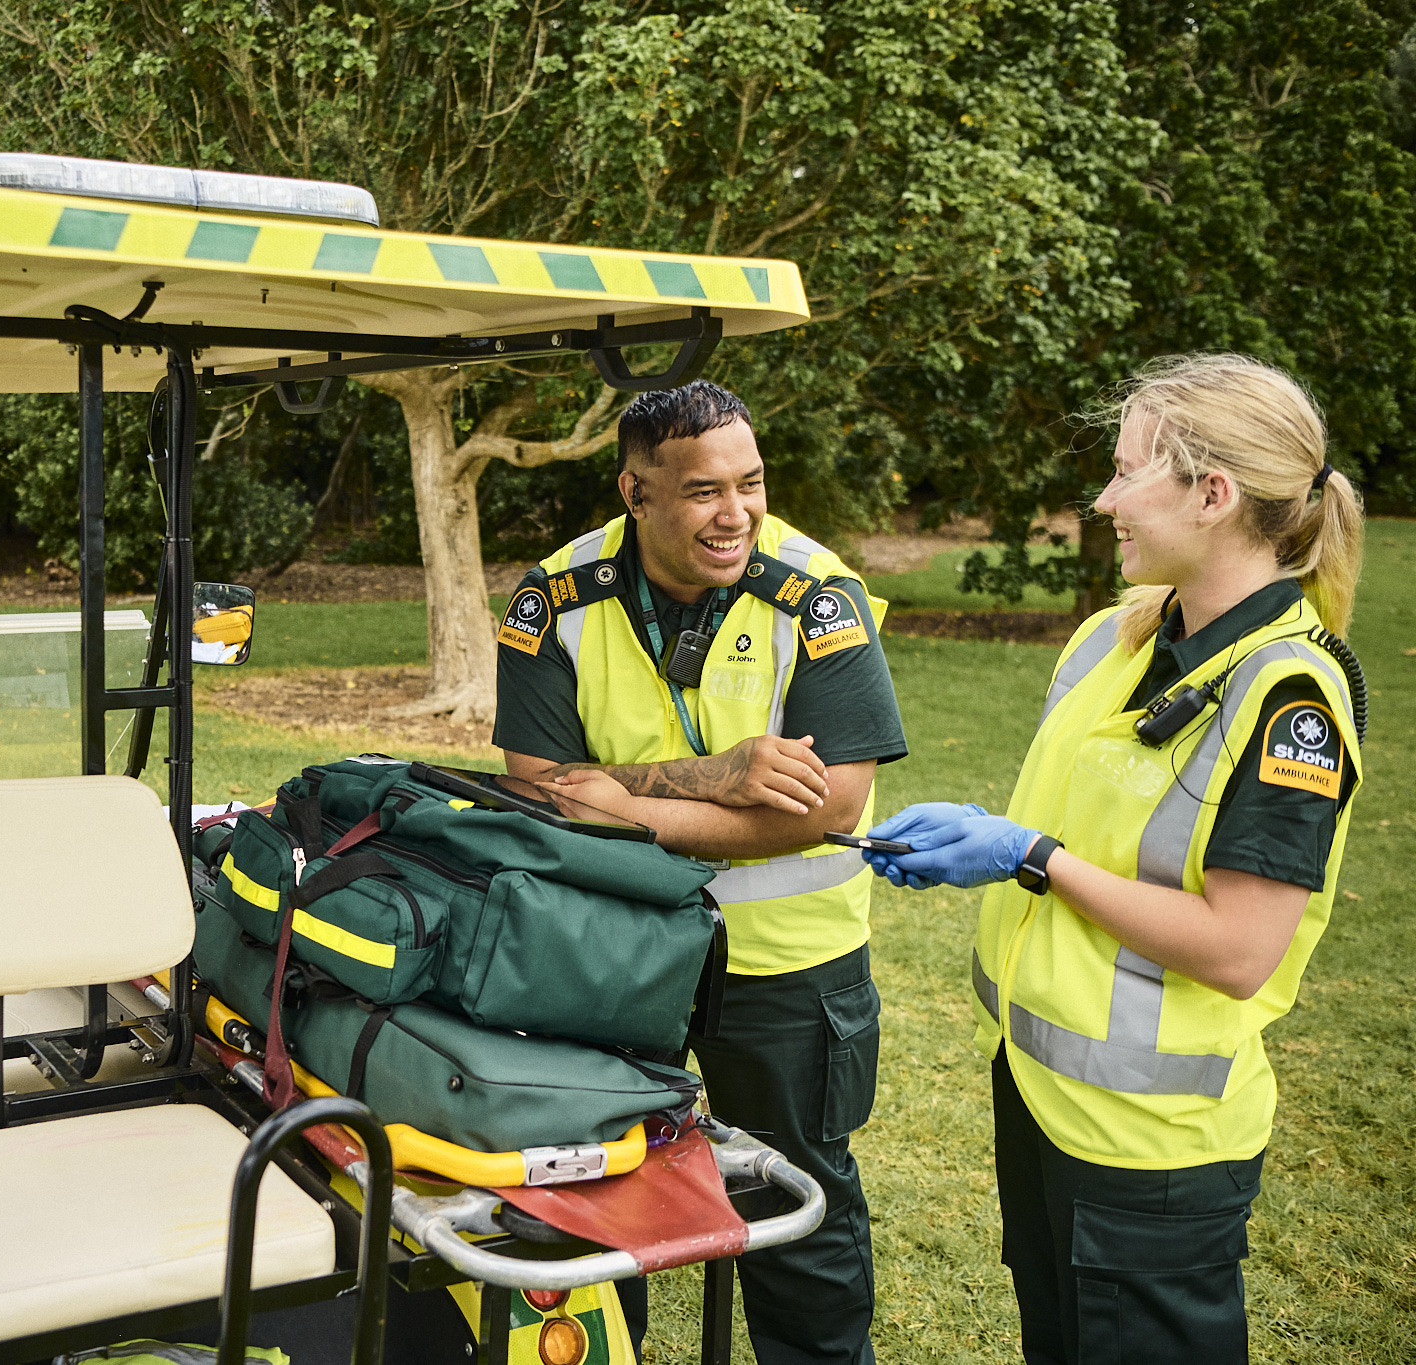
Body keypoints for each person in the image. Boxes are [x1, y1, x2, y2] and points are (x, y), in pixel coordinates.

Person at [860, 355, 1365, 1365]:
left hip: (1150, 1148)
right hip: (1043, 1105)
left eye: (1129, 471)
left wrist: (1028, 856)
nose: (1101, 500)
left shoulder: (1285, 703)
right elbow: (1082, 831)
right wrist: (986, 851)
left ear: (1212, 495)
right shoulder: (1113, 638)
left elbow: (1235, 951)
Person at [492, 380, 909, 1365]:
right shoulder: (550, 598)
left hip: (787, 965)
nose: (736, 515)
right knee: (587, 1190)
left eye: (750, 485)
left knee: (794, 1199)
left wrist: (624, 805)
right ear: (634, 494)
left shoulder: (818, 595)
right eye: (702, 492)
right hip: (608, 959)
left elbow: (832, 808)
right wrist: (712, 777)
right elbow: (541, 792)